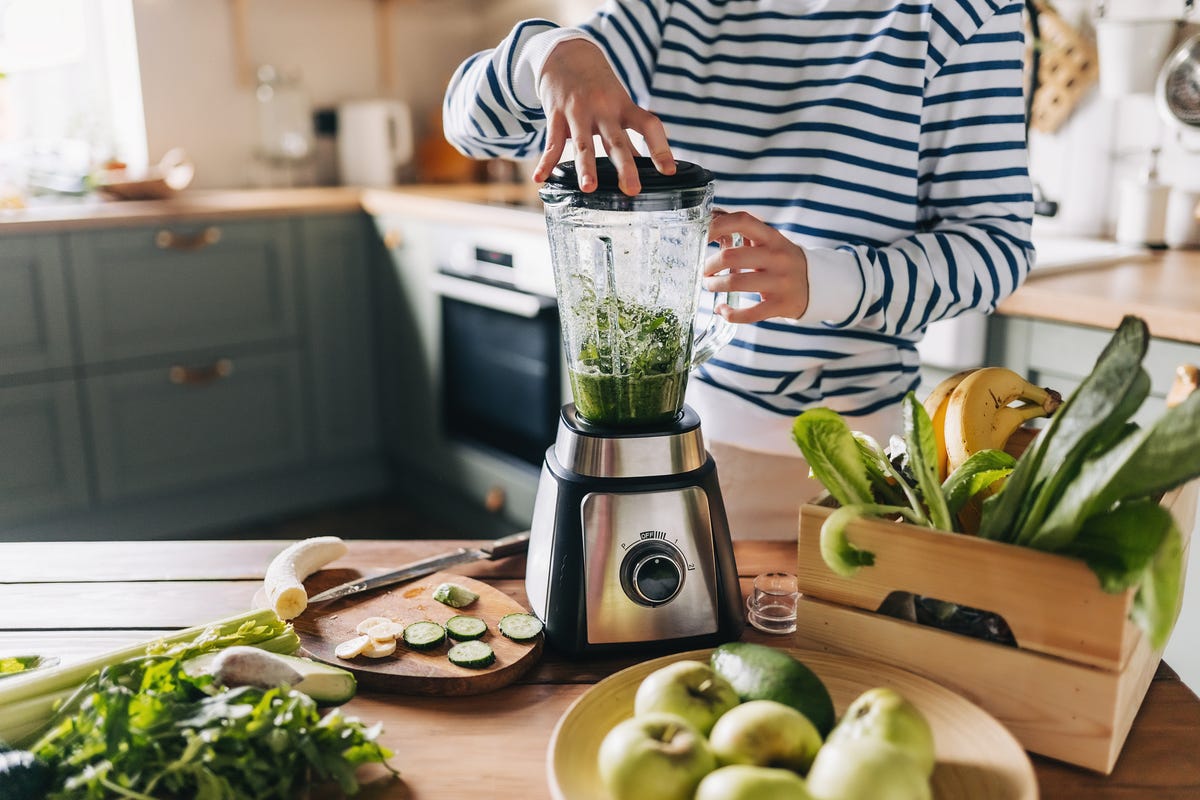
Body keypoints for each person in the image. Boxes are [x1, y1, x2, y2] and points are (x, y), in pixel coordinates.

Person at [443, 0, 1034, 540]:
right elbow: (467, 124)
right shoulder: (673, 11)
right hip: (684, 440)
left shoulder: (957, 15)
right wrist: (550, 54)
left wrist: (826, 281)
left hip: (855, 469)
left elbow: (998, 244)